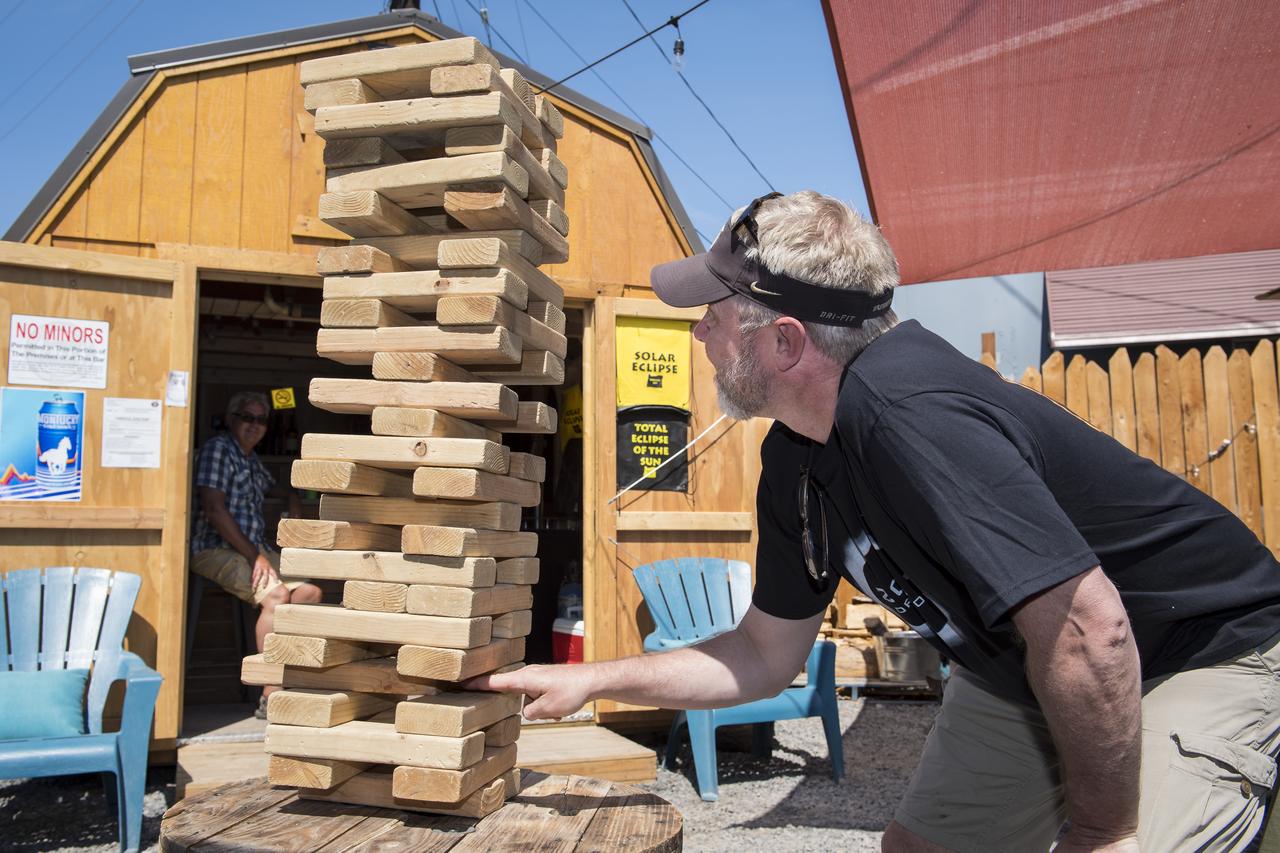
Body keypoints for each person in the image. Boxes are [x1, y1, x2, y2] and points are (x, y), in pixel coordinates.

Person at [472, 191, 1280, 852]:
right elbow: (760, 652)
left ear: (783, 343)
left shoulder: (911, 414)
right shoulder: (796, 455)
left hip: (1199, 649)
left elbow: (1089, 628)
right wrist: (589, 679)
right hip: (1031, 666)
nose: (700, 333)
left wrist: (1104, 826)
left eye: (715, 315)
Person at [190, 391, 321, 715]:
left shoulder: (248, 457)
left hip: (250, 549)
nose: (255, 426)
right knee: (276, 596)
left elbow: (268, 487)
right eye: (248, 417)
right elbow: (214, 509)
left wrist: (290, 499)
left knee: (310, 593)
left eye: (261, 420)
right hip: (213, 548)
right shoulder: (219, 450)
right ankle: (270, 692)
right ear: (232, 419)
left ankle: (294, 680)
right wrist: (255, 557)